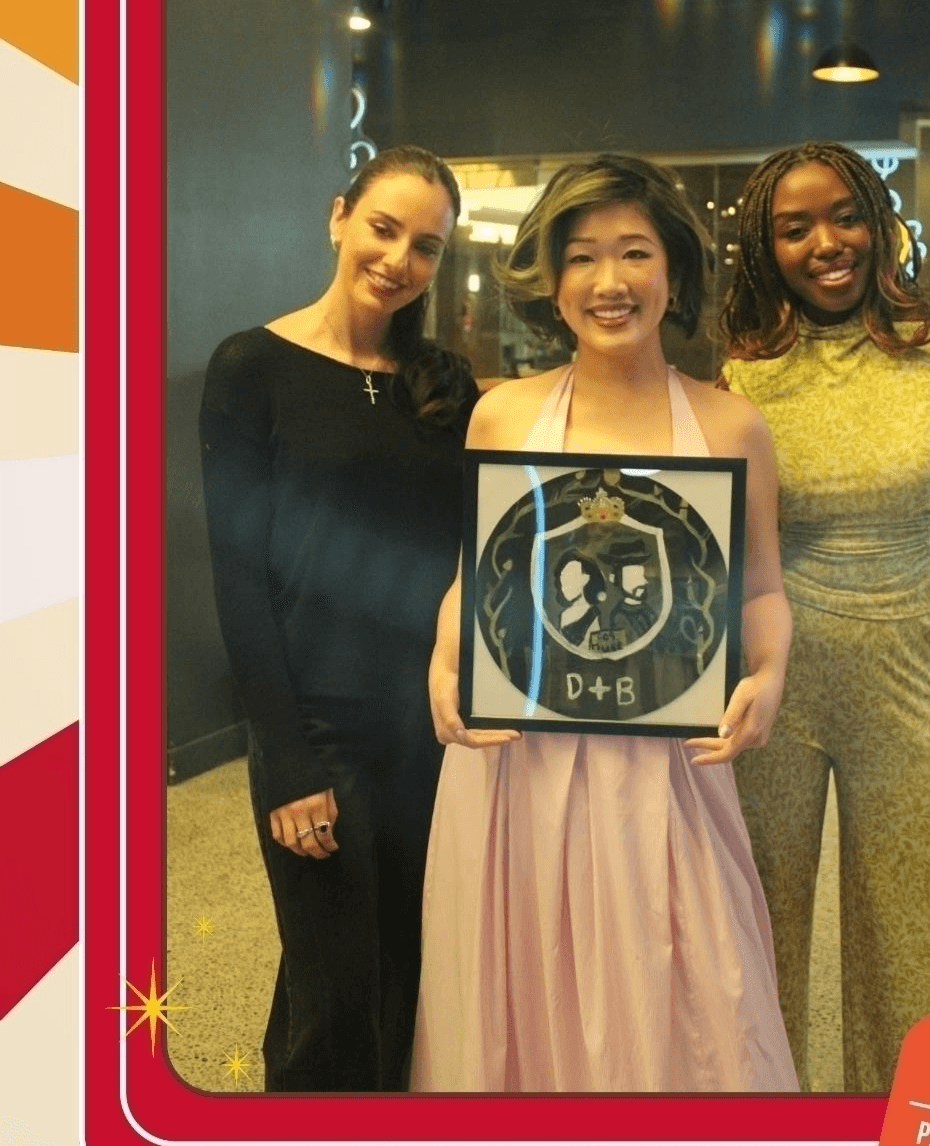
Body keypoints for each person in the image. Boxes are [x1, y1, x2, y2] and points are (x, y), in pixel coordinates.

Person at [411, 154, 800, 1092]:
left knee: (692, 976)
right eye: (582, 257)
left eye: (634, 253)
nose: (609, 282)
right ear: (552, 280)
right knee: (513, 973)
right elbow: (478, 574)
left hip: (663, 757)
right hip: (516, 752)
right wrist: (441, 658)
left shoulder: (730, 425)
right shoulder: (502, 415)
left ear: (675, 273)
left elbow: (758, 588)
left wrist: (769, 673)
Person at [719, 141, 930, 1091]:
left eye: (845, 214)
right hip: (772, 675)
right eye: (794, 227)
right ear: (768, 248)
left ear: (880, 220)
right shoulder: (741, 369)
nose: (827, 242)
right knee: (757, 920)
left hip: (912, 664)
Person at [199, 145, 477, 1091]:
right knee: (331, 980)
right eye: (384, 228)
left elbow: (477, 553)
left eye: (427, 246)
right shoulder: (250, 368)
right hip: (317, 726)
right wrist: (286, 764)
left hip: (431, 726)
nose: (400, 260)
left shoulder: (445, 386)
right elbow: (239, 581)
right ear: (338, 217)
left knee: (406, 967)